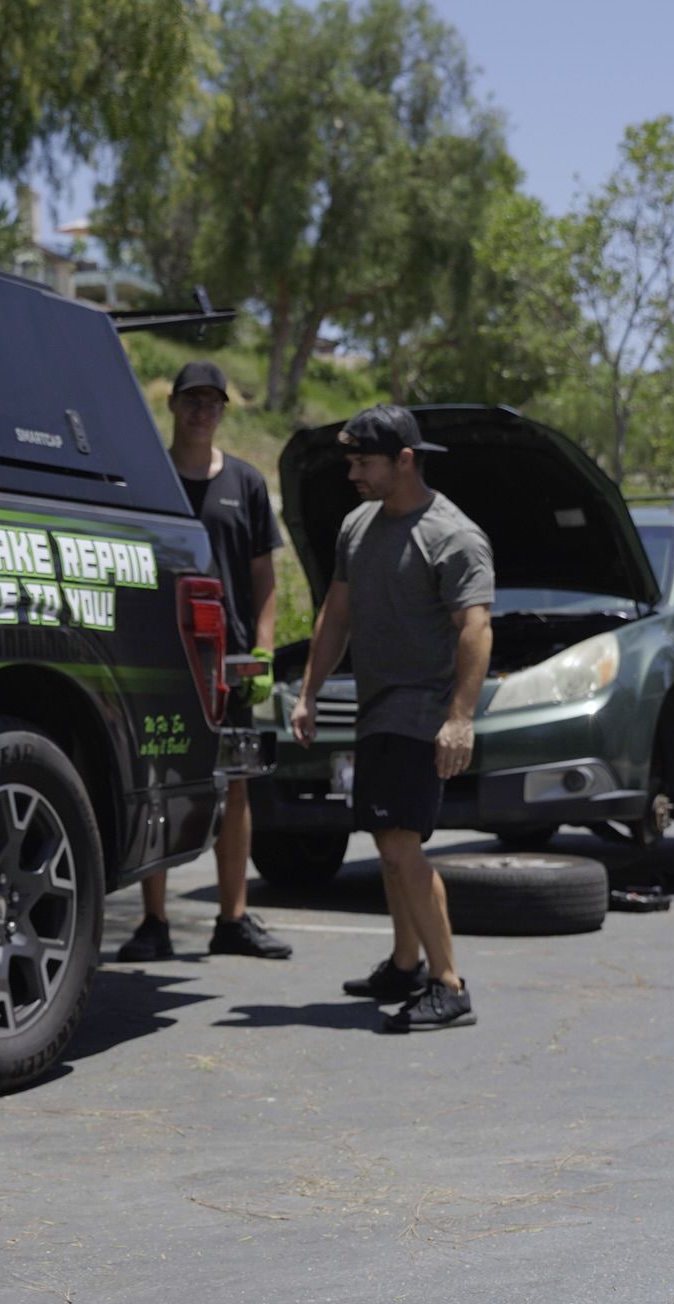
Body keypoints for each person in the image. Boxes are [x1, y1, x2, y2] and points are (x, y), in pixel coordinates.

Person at [289, 404, 493, 1029]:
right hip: (377, 708)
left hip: (420, 710)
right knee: (387, 841)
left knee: (402, 845)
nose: (352, 473)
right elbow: (337, 613)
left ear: (404, 460)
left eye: (362, 461)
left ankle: (448, 982)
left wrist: (459, 718)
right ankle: (406, 963)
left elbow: (476, 628)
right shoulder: (358, 526)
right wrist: (308, 691)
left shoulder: (454, 536)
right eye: (350, 460)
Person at [118, 361, 293, 962]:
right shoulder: (151, 478)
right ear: (173, 406)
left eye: (212, 402)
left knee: (237, 789)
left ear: (222, 411)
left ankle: (233, 917)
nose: (202, 411)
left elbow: (263, 576)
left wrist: (264, 650)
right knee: (159, 785)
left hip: (231, 660)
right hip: (163, 659)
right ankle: (155, 922)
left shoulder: (244, 482)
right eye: (192, 400)